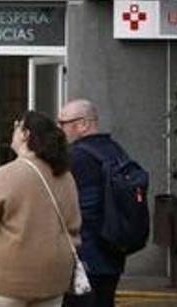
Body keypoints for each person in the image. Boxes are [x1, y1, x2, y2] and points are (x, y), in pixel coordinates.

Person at [0, 110, 81, 307]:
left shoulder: (4, 175)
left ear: (25, 134)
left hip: (5, 280)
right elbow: (74, 225)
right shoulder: (66, 178)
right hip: (53, 279)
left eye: (17, 125)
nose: (13, 129)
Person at [59, 99, 127, 307]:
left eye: (63, 123)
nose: (60, 129)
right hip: (113, 252)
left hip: (85, 255)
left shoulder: (76, 157)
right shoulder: (116, 151)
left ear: (82, 124)